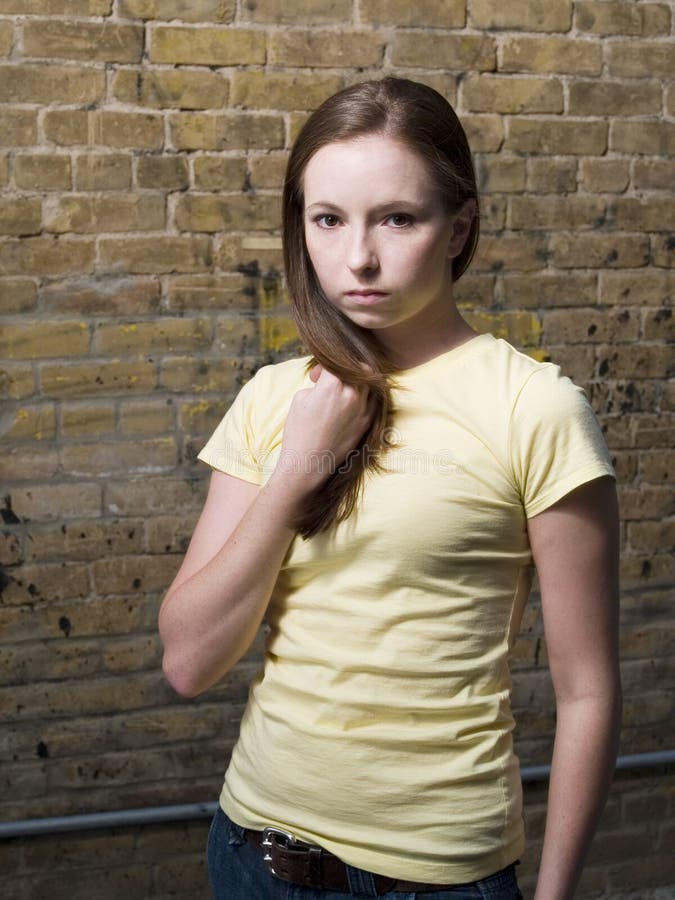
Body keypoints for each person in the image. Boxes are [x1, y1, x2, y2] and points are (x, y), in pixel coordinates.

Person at [158, 77, 621, 900]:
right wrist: (299, 466)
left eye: (396, 218)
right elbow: (190, 661)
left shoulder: (533, 407)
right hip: (253, 853)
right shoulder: (275, 400)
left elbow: (586, 690)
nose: (357, 257)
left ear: (459, 228)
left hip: (438, 879)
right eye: (327, 219)